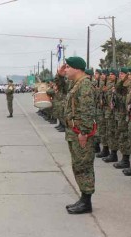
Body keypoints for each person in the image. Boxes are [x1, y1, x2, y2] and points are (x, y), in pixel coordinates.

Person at [58, 57, 96, 214]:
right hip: (74, 132)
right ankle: (83, 198)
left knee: (83, 165)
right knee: (78, 165)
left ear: (77, 69)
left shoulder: (85, 85)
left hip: (81, 133)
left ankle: (86, 202)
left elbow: (87, 111)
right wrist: (60, 76)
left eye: (68, 67)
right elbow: (61, 90)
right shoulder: (77, 84)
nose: (65, 70)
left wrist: (84, 133)